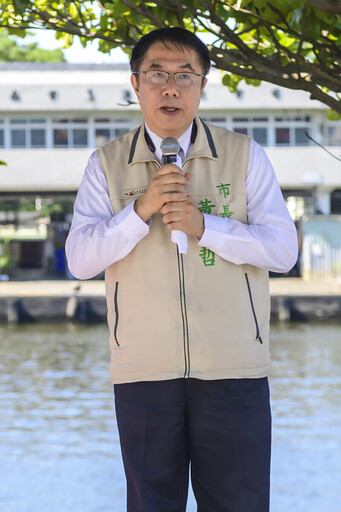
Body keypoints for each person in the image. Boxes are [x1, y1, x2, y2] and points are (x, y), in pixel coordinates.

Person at [66, 27, 298, 512]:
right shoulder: (105, 165)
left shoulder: (245, 155)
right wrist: (140, 210)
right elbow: (80, 260)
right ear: (136, 84)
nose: (170, 87)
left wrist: (204, 226)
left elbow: (283, 251)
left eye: (184, 75)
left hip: (234, 368)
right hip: (143, 372)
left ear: (202, 84)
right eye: (156, 74)